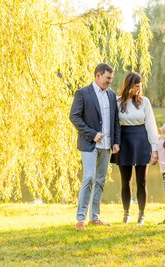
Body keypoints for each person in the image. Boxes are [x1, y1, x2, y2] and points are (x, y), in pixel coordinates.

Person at [70, 63, 121, 231]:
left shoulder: (112, 95)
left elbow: (115, 121)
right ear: (98, 76)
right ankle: (80, 218)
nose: (110, 82)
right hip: (89, 144)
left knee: (100, 180)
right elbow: (74, 117)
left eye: (111, 79)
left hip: (107, 145)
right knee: (89, 177)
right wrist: (92, 134)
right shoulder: (83, 93)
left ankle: (95, 217)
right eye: (107, 78)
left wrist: (116, 141)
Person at [111, 72, 158, 226]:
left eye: (140, 86)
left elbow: (151, 125)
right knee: (126, 181)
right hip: (124, 141)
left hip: (141, 141)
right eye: (136, 86)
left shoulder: (144, 102)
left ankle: (141, 215)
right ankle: (126, 213)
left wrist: (155, 148)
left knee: (142, 181)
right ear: (129, 85)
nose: (138, 89)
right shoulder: (118, 102)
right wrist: (114, 143)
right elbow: (113, 124)